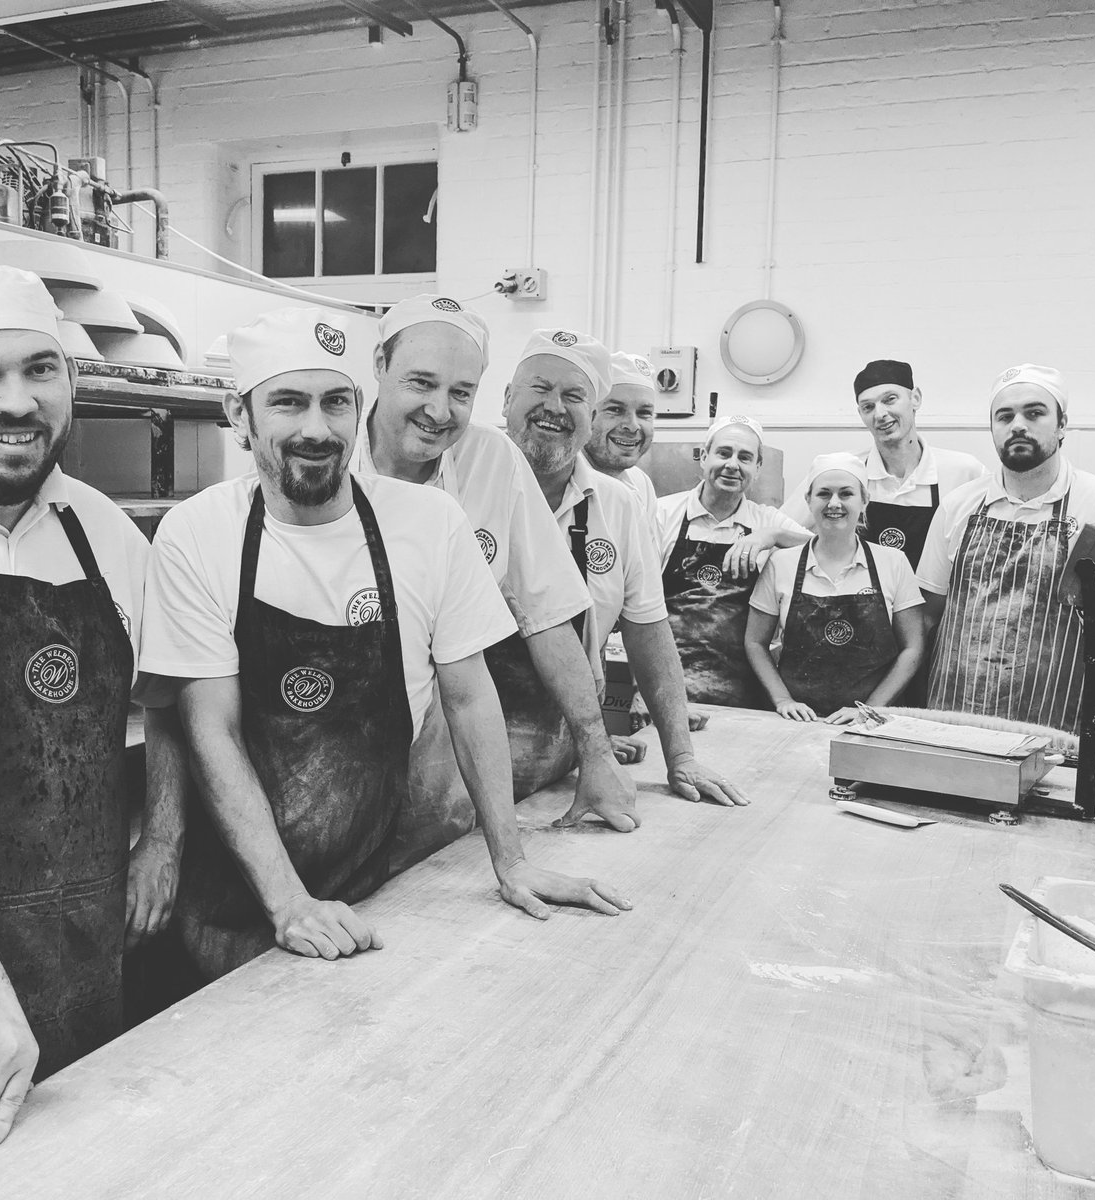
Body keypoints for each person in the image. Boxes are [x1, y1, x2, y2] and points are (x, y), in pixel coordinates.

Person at [139, 307, 630, 982]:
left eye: (335, 402)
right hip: (231, 884)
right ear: (238, 414)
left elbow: (469, 697)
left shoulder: (430, 523)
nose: (317, 429)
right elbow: (209, 730)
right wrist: (288, 902)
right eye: (288, 402)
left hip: (369, 876)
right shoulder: (198, 532)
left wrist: (511, 860)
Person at [0, 264, 171, 1157]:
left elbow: (170, 698)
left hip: (83, 962)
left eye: (40, 369)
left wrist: (163, 841)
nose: (17, 402)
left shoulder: (102, 528)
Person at [353, 296, 639, 835]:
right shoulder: (330, 455)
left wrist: (596, 752)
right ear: (380, 365)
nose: (440, 411)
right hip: (335, 738)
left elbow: (547, 613)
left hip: (446, 752)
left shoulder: (491, 460)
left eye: (461, 393)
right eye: (421, 383)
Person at [504, 328, 747, 806]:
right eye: (540, 389)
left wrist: (679, 756)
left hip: (563, 756)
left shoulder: (620, 504)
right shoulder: (465, 481)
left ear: (587, 414)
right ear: (507, 398)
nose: (555, 408)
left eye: (574, 397)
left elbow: (648, 629)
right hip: (462, 751)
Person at [918, 364, 1095, 733]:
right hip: (956, 715)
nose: (1018, 425)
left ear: (1062, 425)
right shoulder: (958, 506)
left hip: (1055, 723)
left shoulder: (1094, 504)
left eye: (1034, 413)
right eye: (1005, 416)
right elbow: (927, 616)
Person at [746, 453, 926, 722]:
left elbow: (913, 647)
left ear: (864, 500)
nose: (834, 503)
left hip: (871, 723)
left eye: (846, 494)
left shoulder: (894, 562)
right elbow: (755, 642)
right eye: (823, 494)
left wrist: (869, 710)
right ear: (808, 500)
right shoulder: (780, 564)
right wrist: (783, 700)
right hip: (799, 721)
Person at [655, 415, 810, 709]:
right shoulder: (661, 514)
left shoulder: (766, 520)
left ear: (758, 468)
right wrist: (647, 690)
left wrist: (774, 536)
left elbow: (827, 552)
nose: (732, 465)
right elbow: (639, 609)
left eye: (745, 457)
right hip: (667, 689)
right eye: (724, 453)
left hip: (743, 694)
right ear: (704, 457)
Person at [783, 359, 987, 569]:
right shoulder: (843, 470)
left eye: (890, 399)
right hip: (862, 590)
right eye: (868, 407)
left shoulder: (964, 472)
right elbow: (781, 528)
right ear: (861, 414)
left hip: (933, 591)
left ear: (915, 398)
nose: (879, 414)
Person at [583, 350, 658, 522]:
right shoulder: (558, 481)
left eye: (644, 413)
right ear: (587, 414)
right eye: (615, 410)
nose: (632, 426)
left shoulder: (641, 483)